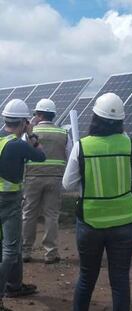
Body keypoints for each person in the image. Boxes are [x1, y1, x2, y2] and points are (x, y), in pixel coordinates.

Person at [62, 92, 132, 311]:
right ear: (121, 121)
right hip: (125, 222)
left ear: (94, 117)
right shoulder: (128, 144)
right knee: (120, 279)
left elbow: (68, 184)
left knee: (87, 277)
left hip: (91, 222)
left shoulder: (82, 146)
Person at [0, 99, 45, 311]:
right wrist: (32, 135)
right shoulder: (18, 145)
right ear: (23, 122)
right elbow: (41, 155)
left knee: (11, 244)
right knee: (10, 250)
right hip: (9, 201)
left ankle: (14, 285)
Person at [22, 98, 72, 264]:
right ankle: (51, 253)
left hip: (32, 178)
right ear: (53, 115)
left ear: (39, 114)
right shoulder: (63, 133)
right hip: (55, 178)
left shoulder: (29, 133)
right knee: (51, 215)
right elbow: (69, 154)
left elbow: (22, 154)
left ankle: (25, 251)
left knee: (29, 213)